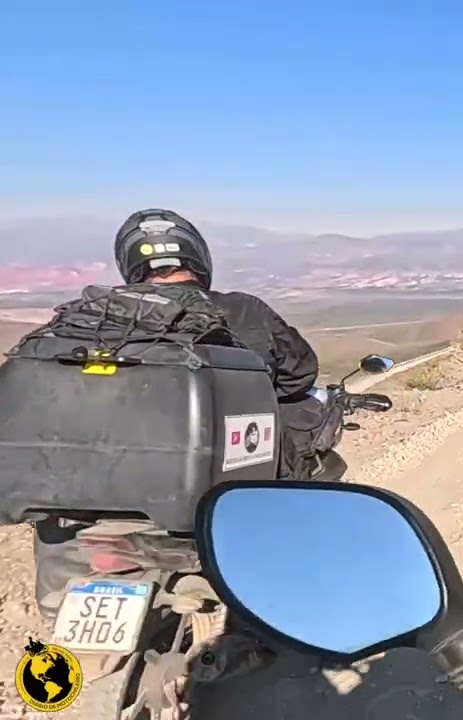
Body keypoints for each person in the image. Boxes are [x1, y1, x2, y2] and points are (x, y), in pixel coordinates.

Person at [32, 208, 323, 618]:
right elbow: (298, 376)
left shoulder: (88, 319)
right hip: (210, 500)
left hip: (88, 503)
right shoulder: (243, 311)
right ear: (198, 259)